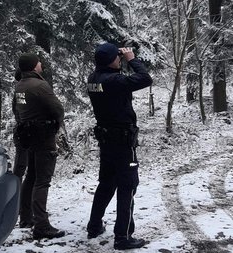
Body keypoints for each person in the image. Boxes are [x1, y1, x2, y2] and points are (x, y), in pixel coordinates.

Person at [86, 42, 153, 250]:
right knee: (128, 186)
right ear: (110, 60)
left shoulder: (94, 79)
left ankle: (94, 225)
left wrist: (119, 60)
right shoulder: (114, 80)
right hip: (123, 142)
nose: (119, 58)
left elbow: (118, 79)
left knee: (106, 183)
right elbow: (145, 78)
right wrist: (132, 58)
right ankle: (123, 237)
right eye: (117, 56)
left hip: (106, 141)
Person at [14, 53, 65, 239]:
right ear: (35, 66)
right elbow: (58, 110)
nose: (41, 64)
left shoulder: (19, 86)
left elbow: (16, 111)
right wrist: (55, 125)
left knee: (31, 177)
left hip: (29, 136)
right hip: (44, 137)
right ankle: (41, 225)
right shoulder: (40, 85)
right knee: (42, 181)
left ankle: (26, 217)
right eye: (39, 62)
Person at [12, 68, 30, 228]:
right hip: (24, 136)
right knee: (20, 171)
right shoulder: (21, 93)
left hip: (23, 135)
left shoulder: (19, 92)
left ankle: (22, 209)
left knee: (22, 171)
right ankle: (19, 209)